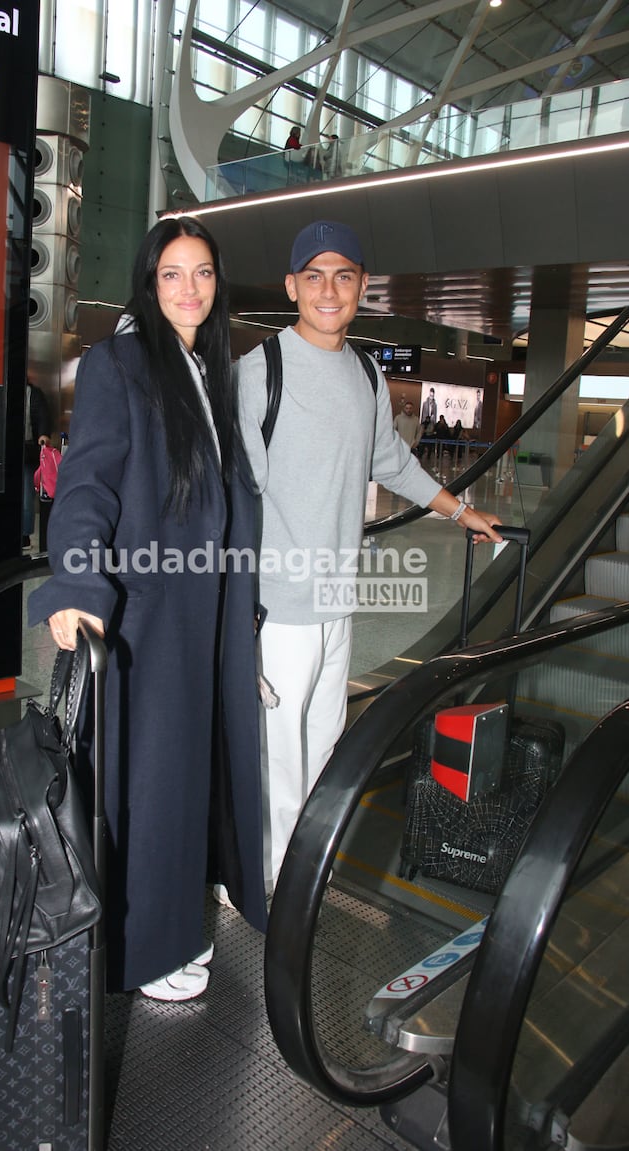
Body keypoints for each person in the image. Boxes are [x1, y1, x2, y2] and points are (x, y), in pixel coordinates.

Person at [28, 216, 268, 1001]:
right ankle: (143, 949)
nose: (189, 289)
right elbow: (87, 482)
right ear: (147, 281)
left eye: (202, 273)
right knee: (151, 783)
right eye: (171, 273)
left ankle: (173, 922)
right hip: (150, 616)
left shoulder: (204, 367)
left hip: (201, 616)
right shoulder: (119, 362)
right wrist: (75, 583)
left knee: (184, 778)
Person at [236, 219, 502, 892]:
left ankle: (293, 872)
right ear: (292, 285)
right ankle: (263, 885)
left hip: (336, 601)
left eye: (344, 276)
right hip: (277, 606)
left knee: (322, 744)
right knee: (277, 756)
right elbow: (229, 494)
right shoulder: (257, 371)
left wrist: (462, 511)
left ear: (360, 289)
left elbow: (391, 461)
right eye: (315, 275)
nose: (329, 290)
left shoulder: (362, 371)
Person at [22, 380, 51, 548]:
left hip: (28, 449)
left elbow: (42, 416)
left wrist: (43, 434)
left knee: (27, 495)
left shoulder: (34, 393)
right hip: (6, 450)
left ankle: (25, 535)